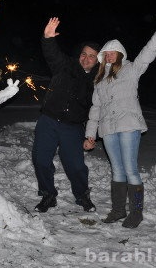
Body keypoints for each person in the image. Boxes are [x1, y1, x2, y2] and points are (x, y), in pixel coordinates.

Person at [83, 14, 156, 228]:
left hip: (128, 125)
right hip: (108, 129)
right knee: (117, 170)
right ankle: (119, 210)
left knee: (130, 169)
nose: (109, 56)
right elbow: (96, 108)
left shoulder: (131, 70)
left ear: (120, 54)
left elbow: (149, 52)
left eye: (113, 53)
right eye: (106, 53)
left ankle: (136, 212)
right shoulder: (99, 79)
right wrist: (90, 135)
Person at [32, 17, 100, 213]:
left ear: (97, 60)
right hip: (49, 120)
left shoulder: (97, 82)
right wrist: (48, 38)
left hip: (73, 127)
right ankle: (48, 195)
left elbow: (96, 110)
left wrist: (91, 135)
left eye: (92, 56)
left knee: (76, 166)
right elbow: (52, 54)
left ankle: (82, 195)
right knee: (41, 160)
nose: (86, 59)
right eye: (84, 54)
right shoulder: (66, 66)